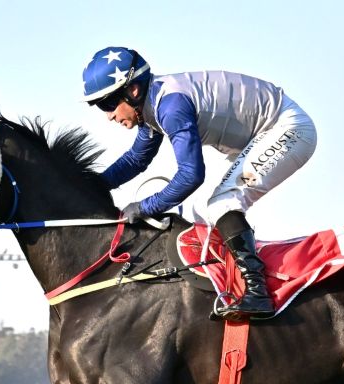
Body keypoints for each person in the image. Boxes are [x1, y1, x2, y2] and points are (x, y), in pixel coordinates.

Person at [82, 47, 317, 319]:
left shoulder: (170, 107)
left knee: (222, 204)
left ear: (133, 90)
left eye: (108, 104)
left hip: (287, 129)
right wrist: (91, 185)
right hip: (260, 135)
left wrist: (144, 207)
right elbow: (136, 159)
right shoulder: (151, 105)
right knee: (199, 211)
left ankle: (258, 292)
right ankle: (232, 284)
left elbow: (191, 175)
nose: (109, 115)